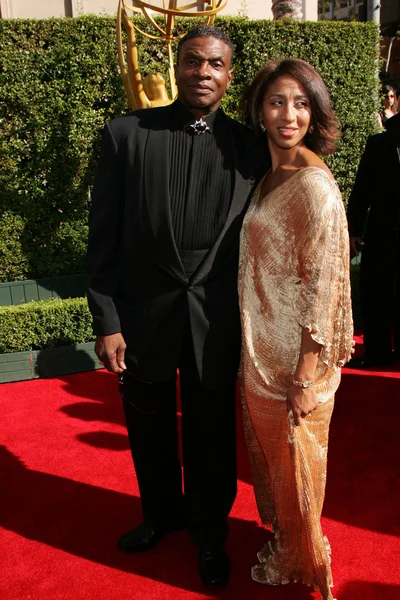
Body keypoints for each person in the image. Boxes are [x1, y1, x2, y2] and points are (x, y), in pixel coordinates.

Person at [86, 25, 267, 588]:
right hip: (144, 315)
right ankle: (159, 515)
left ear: (229, 75)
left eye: (215, 64)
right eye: (193, 62)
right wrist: (107, 320)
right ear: (177, 65)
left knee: (212, 435)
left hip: (217, 320)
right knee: (149, 429)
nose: (203, 73)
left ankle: (210, 534)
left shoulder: (252, 147)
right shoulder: (125, 135)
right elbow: (103, 238)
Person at [238, 59, 353, 599]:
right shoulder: (267, 174)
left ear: (316, 113)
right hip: (259, 349)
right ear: (260, 110)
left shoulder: (315, 186)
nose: (289, 114)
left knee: (301, 469)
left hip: (295, 362)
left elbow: (325, 287)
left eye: (302, 103)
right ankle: (287, 545)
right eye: (278, 101)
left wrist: (307, 374)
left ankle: (309, 565)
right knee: (278, 470)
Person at [347, 112, 400, 368]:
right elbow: (362, 188)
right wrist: (353, 228)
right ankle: (377, 353)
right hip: (382, 233)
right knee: (377, 292)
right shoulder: (379, 143)